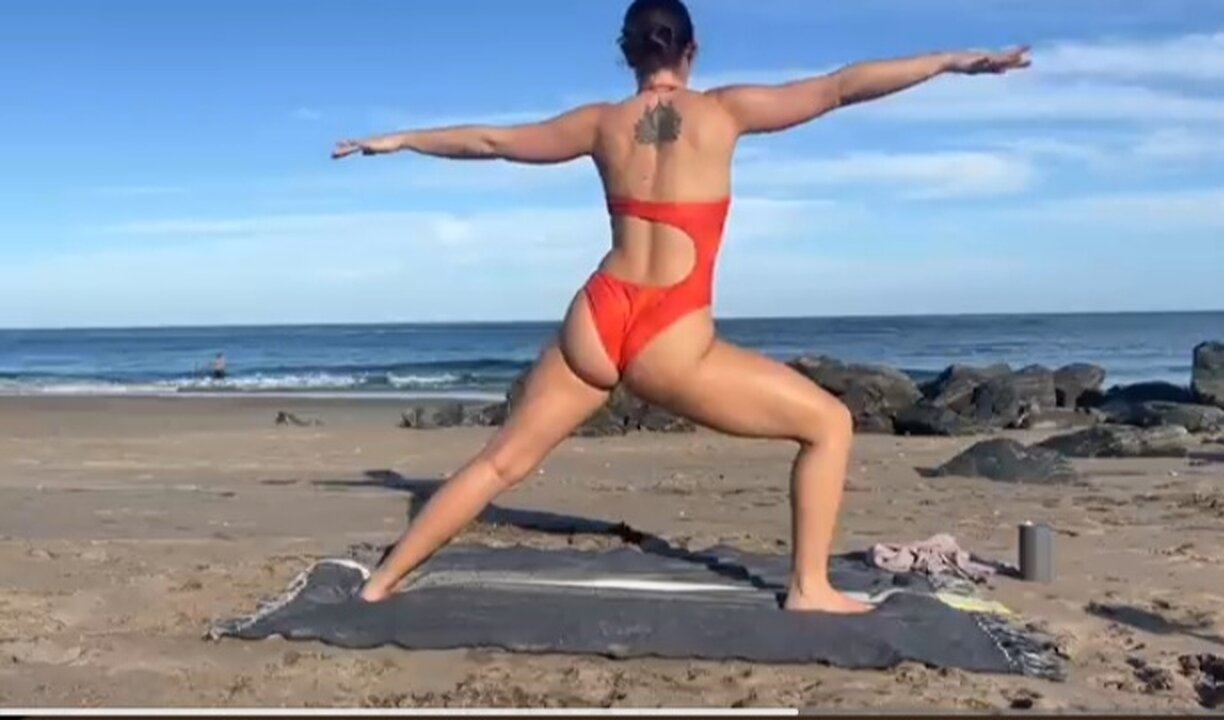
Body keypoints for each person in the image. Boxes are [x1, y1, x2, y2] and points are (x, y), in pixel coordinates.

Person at [332, 0, 1030, 613]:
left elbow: (492, 142)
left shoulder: (601, 124)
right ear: (692, 51)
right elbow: (841, 87)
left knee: (498, 465)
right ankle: (809, 587)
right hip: (671, 333)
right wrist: (949, 61)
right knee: (829, 424)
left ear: (625, 54)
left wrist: (398, 139)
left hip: (599, 315)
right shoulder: (724, 112)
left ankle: (382, 582)